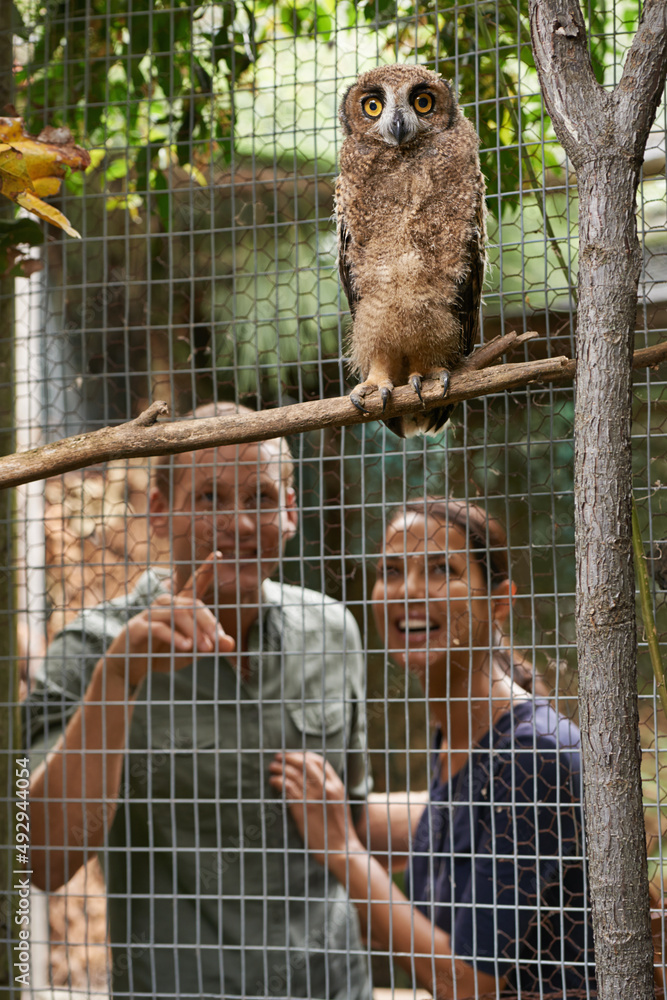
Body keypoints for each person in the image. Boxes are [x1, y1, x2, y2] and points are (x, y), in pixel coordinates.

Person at [26, 403, 372, 1000]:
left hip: (335, 986)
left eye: (261, 497)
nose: (239, 524)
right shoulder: (89, 650)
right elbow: (41, 859)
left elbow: (353, 819)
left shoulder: (334, 630)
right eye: (210, 497)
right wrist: (118, 678)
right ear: (159, 511)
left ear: (291, 512)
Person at [270, 497, 597, 998]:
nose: (410, 592)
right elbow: (451, 821)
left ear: (500, 600)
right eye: (392, 570)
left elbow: (467, 983)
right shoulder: (462, 736)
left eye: (442, 569)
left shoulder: (536, 752)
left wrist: (343, 851)